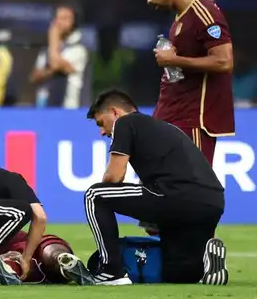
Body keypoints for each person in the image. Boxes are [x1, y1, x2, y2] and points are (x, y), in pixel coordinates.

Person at [84, 89, 228, 285]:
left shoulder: (126, 123)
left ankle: (111, 271)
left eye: (101, 123)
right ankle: (206, 267)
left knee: (95, 194)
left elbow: (114, 177)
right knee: (176, 271)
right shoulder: (166, 127)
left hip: (175, 195)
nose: (102, 132)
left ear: (115, 112)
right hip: (211, 202)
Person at [140, 0, 234, 164]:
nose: (149, 0)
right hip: (173, 116)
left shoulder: (204, 12)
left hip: (194, 120)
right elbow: (179, 74)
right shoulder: (178, 22)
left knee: (193, 185)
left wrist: (174, 60)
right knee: (161, 181)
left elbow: (224, 61)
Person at [29, 4, 90, 109]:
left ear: (73, 22)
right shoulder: (47, 49)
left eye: (65, 18)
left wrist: (53, 37)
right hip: (45, 105)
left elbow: (56, 64)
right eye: (57, 18)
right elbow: (34, 76)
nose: (60, 23)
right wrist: (48, 72)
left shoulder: (79, 50)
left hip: (68, 108)